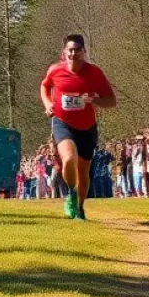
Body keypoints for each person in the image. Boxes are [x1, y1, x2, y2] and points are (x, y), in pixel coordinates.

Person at [39, 34, 116, 220]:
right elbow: (44, 86)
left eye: (77, 50)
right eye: (70, 50)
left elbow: (111, 101)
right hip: (62, 122)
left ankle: (80, 208)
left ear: (84, 52)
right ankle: (71, 195)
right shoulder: (55, 70)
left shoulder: (94, 73)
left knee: (83, 171)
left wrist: (95, 100)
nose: (73, 53)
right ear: (64, 52)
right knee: (68, 159)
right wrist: (48, 104)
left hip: (87, 126)